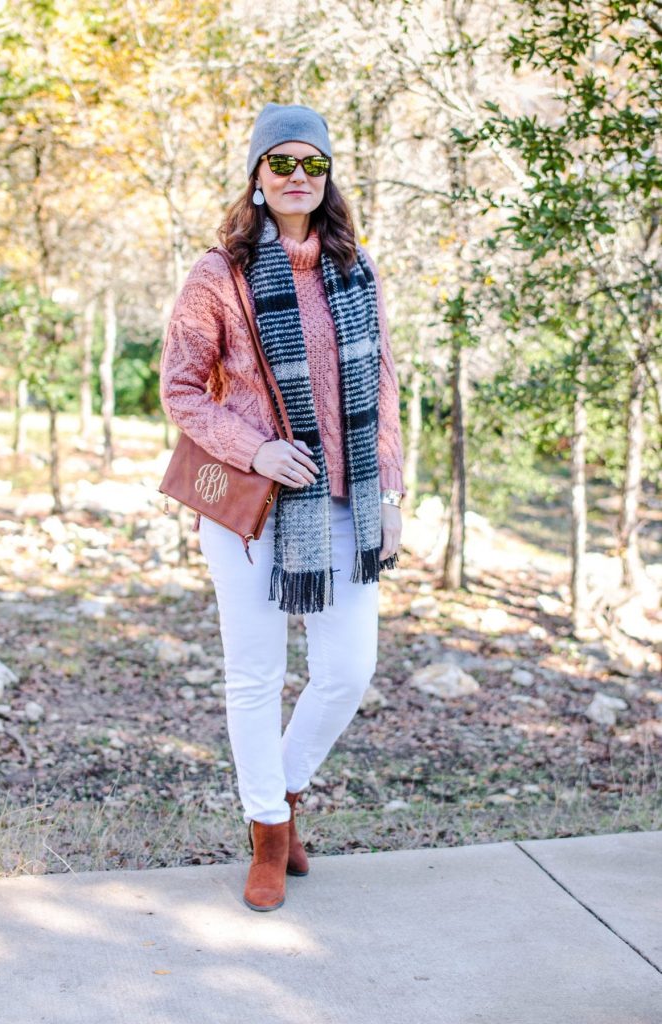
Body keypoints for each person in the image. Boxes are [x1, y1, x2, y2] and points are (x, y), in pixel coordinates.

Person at [160, 102, 404, 912]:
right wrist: (255, 448)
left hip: (345, 502)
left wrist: (391, 490)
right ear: (257, 176)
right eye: (282, 163)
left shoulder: (354, 266)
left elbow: (384, 385)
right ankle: (267, 832)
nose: (298, 177)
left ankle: (287, 790)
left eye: (313, 164)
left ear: (327, 177)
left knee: (347, 671)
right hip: (254, 507)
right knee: (256, 676)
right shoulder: (218, 273)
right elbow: (182, 391)